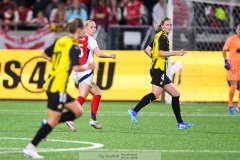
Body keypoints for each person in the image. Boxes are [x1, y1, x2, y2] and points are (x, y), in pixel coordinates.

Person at [23, 18, 95, 158]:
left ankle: (46, 124)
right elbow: (76, 67)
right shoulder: (73, 46)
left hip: (52, 83)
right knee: (54, 120)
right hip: (57, 86)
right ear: (79, 30)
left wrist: (58, 63)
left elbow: (44, 53)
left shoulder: (60, 41)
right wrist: (89, 66)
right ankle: (30, 147)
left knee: (78, 111)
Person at [128, 17, 193, 130]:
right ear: (162, 26)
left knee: (176, 94)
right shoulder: (162, 37)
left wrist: (155, 59)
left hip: (157, 68)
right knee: (155, 94)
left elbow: (147, 50)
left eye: (171, 25)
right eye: (167, 25)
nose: (169, 27)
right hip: (158, 69)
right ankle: (134, 110)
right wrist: (177, 53)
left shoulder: (158, 36)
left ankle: (180, 123)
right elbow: (161, 53)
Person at [66, 20, 116, 131]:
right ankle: (70, 118)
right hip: (86, 71)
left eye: (95, 27)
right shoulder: (90, 39)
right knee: (82, 96)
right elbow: (98, 53)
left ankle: (93, 119)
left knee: (97, 93)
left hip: (76, 73)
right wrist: (110, 56)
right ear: (85, 28)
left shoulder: (75, 39)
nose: (94, 29)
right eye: (92, 27)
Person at [222, 24, 240, 115]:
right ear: (236, 30)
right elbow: (224, 49)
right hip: (232, 66)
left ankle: (239, 106)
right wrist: (225, 61)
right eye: (239, 29)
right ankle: (230, 106)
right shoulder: (231, 40)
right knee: (234, 86)